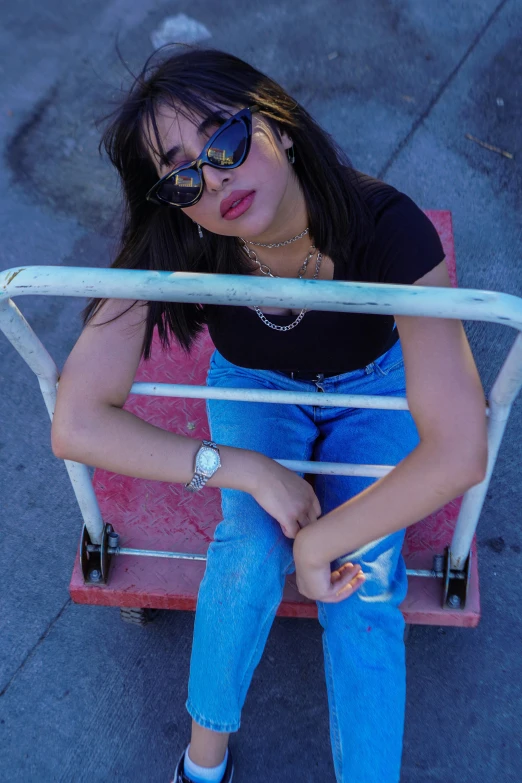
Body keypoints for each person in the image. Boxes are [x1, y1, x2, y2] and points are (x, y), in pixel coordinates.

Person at [51, 45, 488, 783]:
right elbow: (77, 420)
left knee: (364, 582)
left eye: (223, 138)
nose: (214, 177)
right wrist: (240, 467)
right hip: (255, 382)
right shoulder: (186, 238)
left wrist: (320, 546)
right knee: (247, 549)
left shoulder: (387, 227)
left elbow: (460, 449)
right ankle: (201, 763)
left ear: (278, 124)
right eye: (182, 174)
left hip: (376, 383)